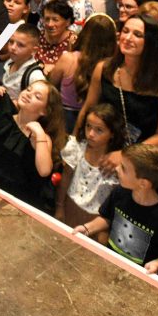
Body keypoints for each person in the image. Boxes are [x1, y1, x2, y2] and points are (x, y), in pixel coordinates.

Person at [75, 15, 158, 159]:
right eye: (125, 31)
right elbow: (87, 108)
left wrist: (125, 156)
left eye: (137, 34)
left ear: (151, 42)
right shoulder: (103, 69)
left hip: (139, 160)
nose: (128, 38)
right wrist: (74, 144)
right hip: (98, 151)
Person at [76, 144, 158, 276]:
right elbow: (107, 218)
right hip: (111, 266)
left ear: (143, 183)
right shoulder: (120, 193)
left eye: (124, 168)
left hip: (140, 278)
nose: (117, 168)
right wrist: (87, 228)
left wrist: (156, 264)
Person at [0, 80, 67, 212]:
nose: (28, 94)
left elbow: (44, 171)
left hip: (19, 200)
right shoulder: (5, 119)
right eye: (28, 89)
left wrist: (40, 135)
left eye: (37, 96)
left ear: (45, 111)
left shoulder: (40, 136)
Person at [56, 102, 125, 238]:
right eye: (88, 126)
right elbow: (66, 177)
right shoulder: (77, 148)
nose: (91, 134)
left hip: (95, 219)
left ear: (112, 133)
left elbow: (115, 201)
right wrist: (59, 207)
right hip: (70, 207)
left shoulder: (115, 164)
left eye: (99, 130)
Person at [50, 14, 118, 132]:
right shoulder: (112, 67)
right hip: (98, 127)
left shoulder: (68, 59)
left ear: (84, 34)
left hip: (64, 121)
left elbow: (51, 86)